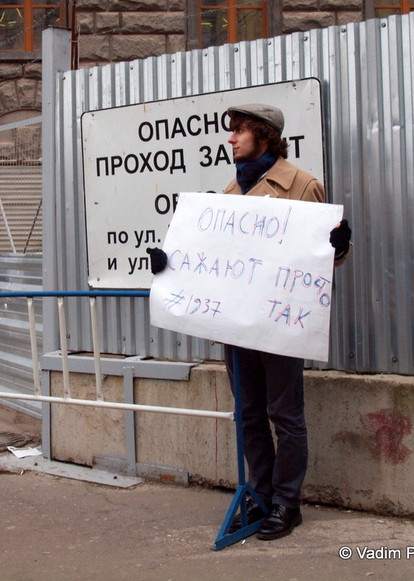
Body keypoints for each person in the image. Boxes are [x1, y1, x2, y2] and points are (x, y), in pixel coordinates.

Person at [148, 103, 351, 542]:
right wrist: (171, 264)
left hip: (281, 325)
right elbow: (216, 262)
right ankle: (259, 495)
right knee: (249, 414)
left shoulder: (302, 185)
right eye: (232, 131)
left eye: (239, 131)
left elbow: (320, 262)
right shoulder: (229, 192)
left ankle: (286, 503)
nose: (231, 138)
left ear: (264, 135)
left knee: (285, 414)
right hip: (236, 325)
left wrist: (338, 245)